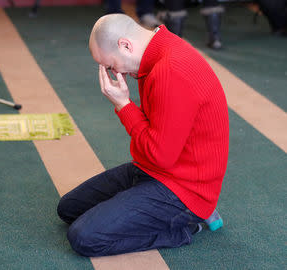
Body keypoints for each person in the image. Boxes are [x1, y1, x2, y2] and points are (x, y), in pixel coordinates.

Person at [57, 14, 229, 257]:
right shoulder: (154, 55)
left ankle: (186, 226)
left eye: (110, 65)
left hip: (185, 189)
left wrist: (123, 106)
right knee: (68, 209)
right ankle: (154, 211)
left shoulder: (171, 71)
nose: (111, 72)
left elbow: (160, 156)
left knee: (83, 237)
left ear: (125, 45)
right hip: (153, 170)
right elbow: (155, 136)